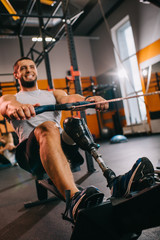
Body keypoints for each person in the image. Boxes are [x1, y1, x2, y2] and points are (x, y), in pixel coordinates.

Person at [0, 57, 154, 223]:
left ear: (36, 71)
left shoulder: (53, 94)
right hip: (31, 154)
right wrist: (19, 108)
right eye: (23, 68)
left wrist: (89, 100)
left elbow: (70, 99)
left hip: (58, 145)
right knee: (47, 127)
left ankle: (113, 181)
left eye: (31, 66)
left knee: (74, 123)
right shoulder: (10, 97)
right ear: (16, 74)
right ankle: (73, 199)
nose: (29, 70)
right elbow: (7, 106)